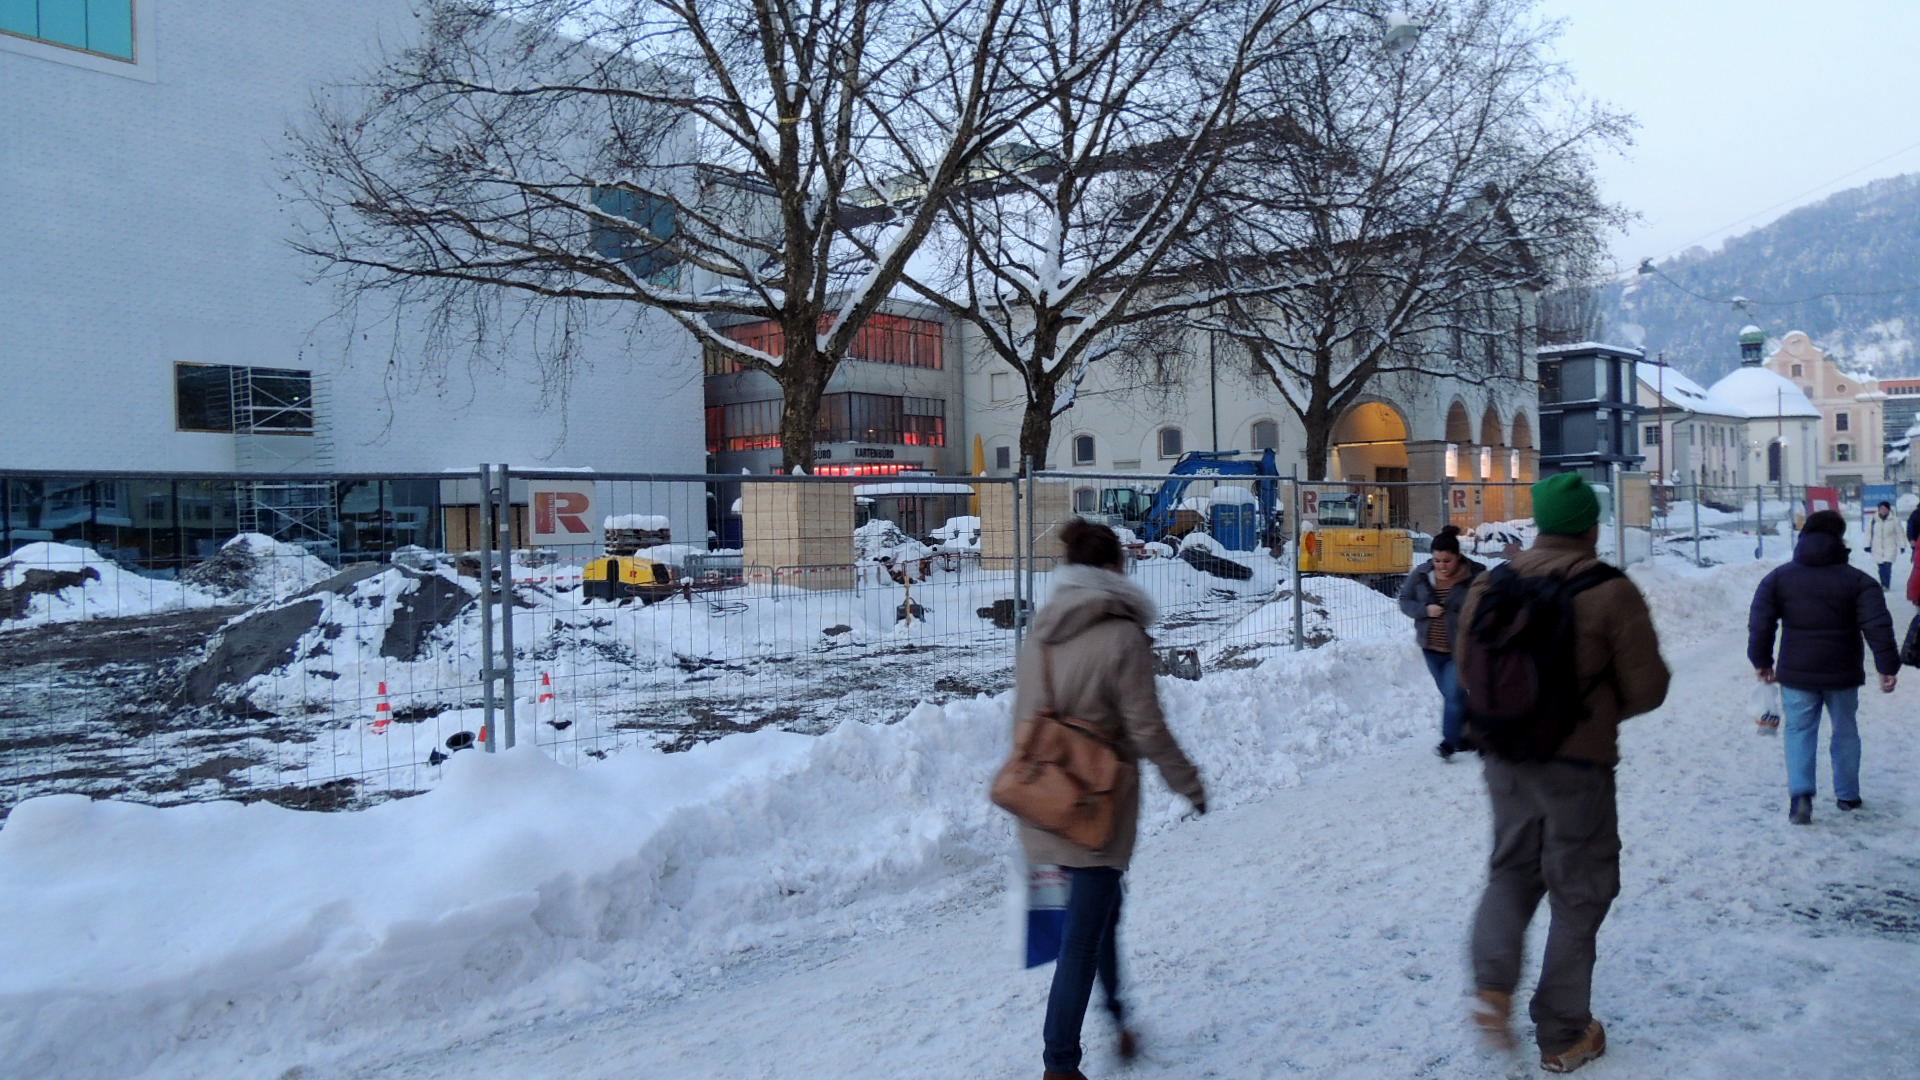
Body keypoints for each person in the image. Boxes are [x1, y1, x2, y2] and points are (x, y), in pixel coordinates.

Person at [1456, 472, 1671, 1074]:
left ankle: (1492, 985)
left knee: (1512, 871)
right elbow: (1649, 688)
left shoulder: (1492, 583)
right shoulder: (1610, 590)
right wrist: (1592, 712)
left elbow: (1470, 670)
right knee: (1580, 889)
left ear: (1540, 522)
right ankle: (1564, 1031)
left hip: (1504, 755)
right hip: (1578, 766)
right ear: (1591, 528)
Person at [1011, 518, 1206, 1080]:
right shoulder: (1123, 635)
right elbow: (1146, 729)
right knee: (1081, 940)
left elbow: (1024, 718)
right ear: (1114, 568)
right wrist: (1188, 782)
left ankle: (1119, 1017)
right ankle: (1060, 1065)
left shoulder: (1042, 630)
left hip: (1043, 801)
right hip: (1095, 809)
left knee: (1100, 918)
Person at [1747, 509, 1899, 824]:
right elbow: (1877, 625)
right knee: (1845, 730)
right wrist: (1887, 665)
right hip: (1843, 672)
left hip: (1796, 672)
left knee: (1799, 730)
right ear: (1839, 539)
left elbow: (1761, 622)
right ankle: (1848, 795)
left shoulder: (1778, 579)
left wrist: (1761, 660)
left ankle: (1801, 797)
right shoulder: (1859, 581)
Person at [1396, 525, 1486, 759]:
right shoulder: (1422, 574)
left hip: (1461, 650)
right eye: (1437, 560)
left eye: (1447, 561)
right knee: (1451, 695)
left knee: (1454, 694)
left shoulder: (1475, 577)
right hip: (1431, 649)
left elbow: (1488, 608)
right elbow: (1405, 600)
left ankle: (1449, 742)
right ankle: (1476, 732)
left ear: (1458, 557)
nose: (1441, 566)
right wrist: (1425, 610)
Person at [1864, 501, 1905, 592]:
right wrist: (1867, 545)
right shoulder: (1873, 520)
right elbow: (1869, 533)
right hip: (1877, 547)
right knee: (1881, 567)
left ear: (1888, 509)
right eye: (1881, 508)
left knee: (1887, 566)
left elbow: (1900, 533)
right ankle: (1883, 583)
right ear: (1878, 509)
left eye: (1885, 509)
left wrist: (1902, 545)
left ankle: (1886, 585)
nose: (1883, 510)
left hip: (1890, 546)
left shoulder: (1894, 520)